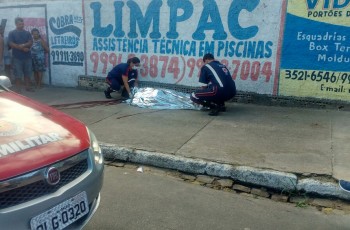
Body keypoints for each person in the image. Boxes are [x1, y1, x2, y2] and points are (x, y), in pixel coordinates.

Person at [8, 17, 33, 92]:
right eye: (20, 24)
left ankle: (27, 87)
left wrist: (23, 45)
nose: (21, 25)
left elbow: (30, 42)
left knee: (27, 73)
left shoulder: (27, 33)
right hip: (17, 57)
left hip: (27, 56)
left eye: (22, 24)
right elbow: (11, 43)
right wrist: (22, 48)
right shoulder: (12, 33)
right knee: (18, 74)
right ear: (16, 24)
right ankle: (18, 89)